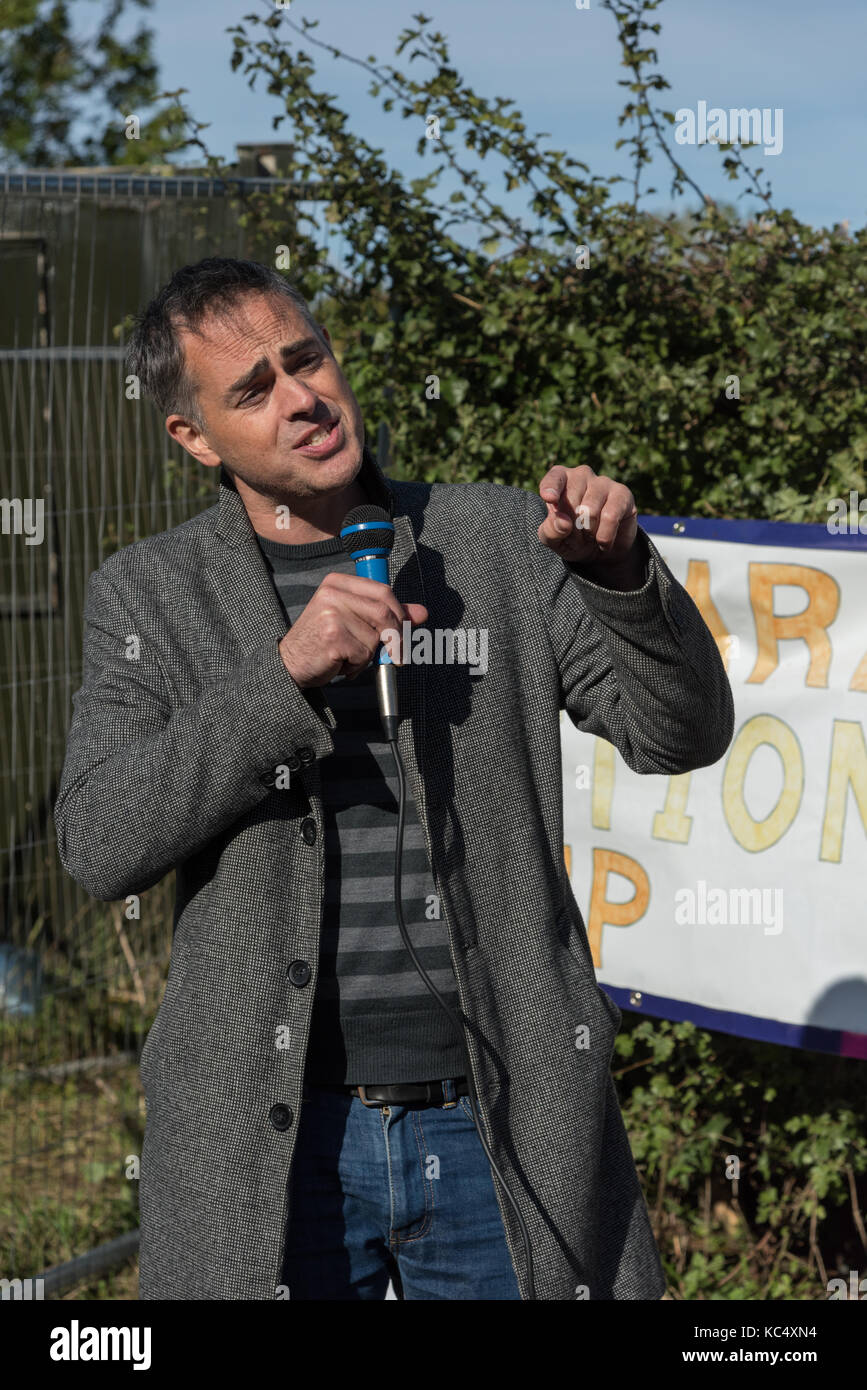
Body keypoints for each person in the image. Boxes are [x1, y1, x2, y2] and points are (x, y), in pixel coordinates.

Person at [54, 257, 734, 1301]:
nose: (303, 399)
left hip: (497, 1118)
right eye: (253, 389)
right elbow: (100, 839)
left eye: (307, 359)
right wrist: (281, 678)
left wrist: (624, 578)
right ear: (192, 437)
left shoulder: (497, 541)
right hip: (271, 1146)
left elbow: (679, 733)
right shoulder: (151, 594)